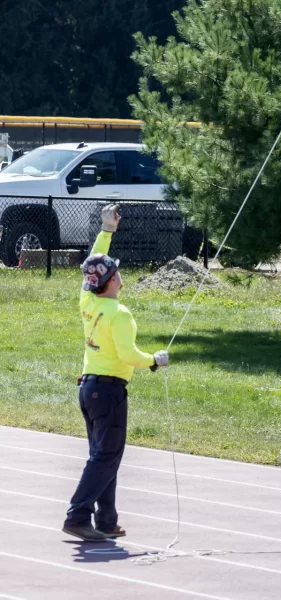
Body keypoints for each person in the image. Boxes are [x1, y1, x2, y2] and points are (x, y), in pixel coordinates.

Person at [62, 204, 169, 542]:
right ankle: (78, 516)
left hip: (89, 388)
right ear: (111, 282)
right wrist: (155, 359)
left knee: (105, 455)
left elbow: (92, 265)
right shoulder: (119, 313)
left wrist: (107, 232)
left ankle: (106, 520)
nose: (121, 274)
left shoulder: (89, 302)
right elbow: (128, 355)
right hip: (108, 391)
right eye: (116, 271)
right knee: (106, 456)